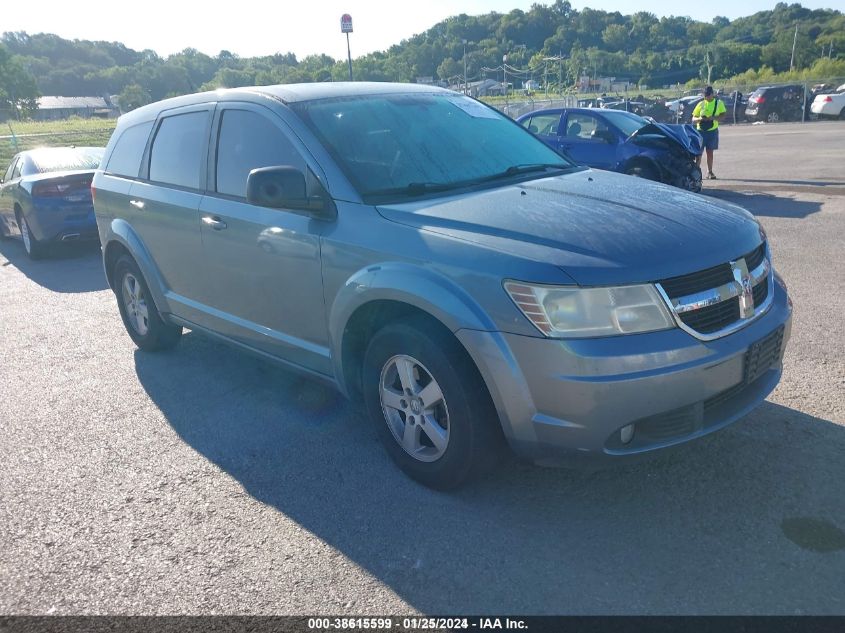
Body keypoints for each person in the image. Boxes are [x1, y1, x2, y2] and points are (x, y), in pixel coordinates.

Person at [692, 85, 727, 180]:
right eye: (705, 95)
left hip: (712, 131)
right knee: (698, 153)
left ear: (712, 94)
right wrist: (700, 119)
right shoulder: (701, 104)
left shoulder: (719, 103)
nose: (706, 97)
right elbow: (693, 118)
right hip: (701, 131)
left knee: (710, 152)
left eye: (708, 95)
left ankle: (710, 171)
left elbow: (723, 116)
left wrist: (713, 118)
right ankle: (696, 172)